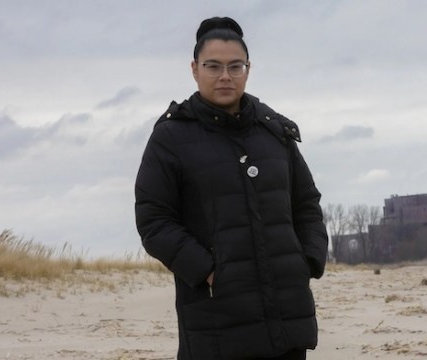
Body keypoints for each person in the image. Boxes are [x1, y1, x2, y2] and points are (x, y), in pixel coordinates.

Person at [134, 17, 328, 360]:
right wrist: (209, 270)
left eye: (235, 66)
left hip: (286, 314)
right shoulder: (171, 137)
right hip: (215, 321)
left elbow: (307, 202)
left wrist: (307, 259)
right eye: (213, 66)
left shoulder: (274, 131)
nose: (225, 76)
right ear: (195, 69)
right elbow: (154, 220)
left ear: (248, 70)